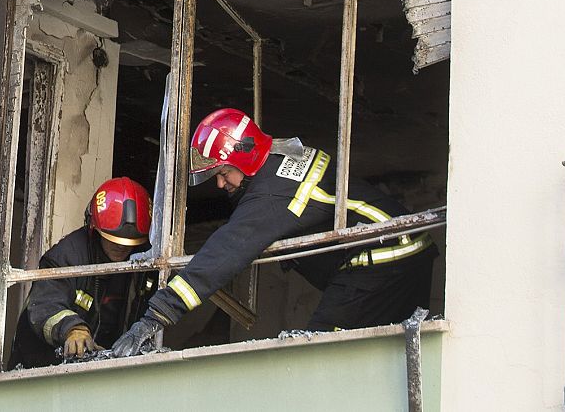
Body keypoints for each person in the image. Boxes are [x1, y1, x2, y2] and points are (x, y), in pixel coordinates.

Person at [110, 108, 435, 358]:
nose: (221, 184)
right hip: (406, 249)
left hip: (383, 258)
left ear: (243, 157)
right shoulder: (283, 153)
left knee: (320, 356)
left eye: (223, 173)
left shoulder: (272, 194)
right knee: (384, 355)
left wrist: (154, 318)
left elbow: (223, 254)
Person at [9, 176, 158, 368]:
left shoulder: (144, 259)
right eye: (112, 239)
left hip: (107, 372)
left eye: (130, 243)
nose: (122, 248)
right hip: (39, 371)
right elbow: (44, 306)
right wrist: (73, 329)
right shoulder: (66, 257)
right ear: (93, 228)